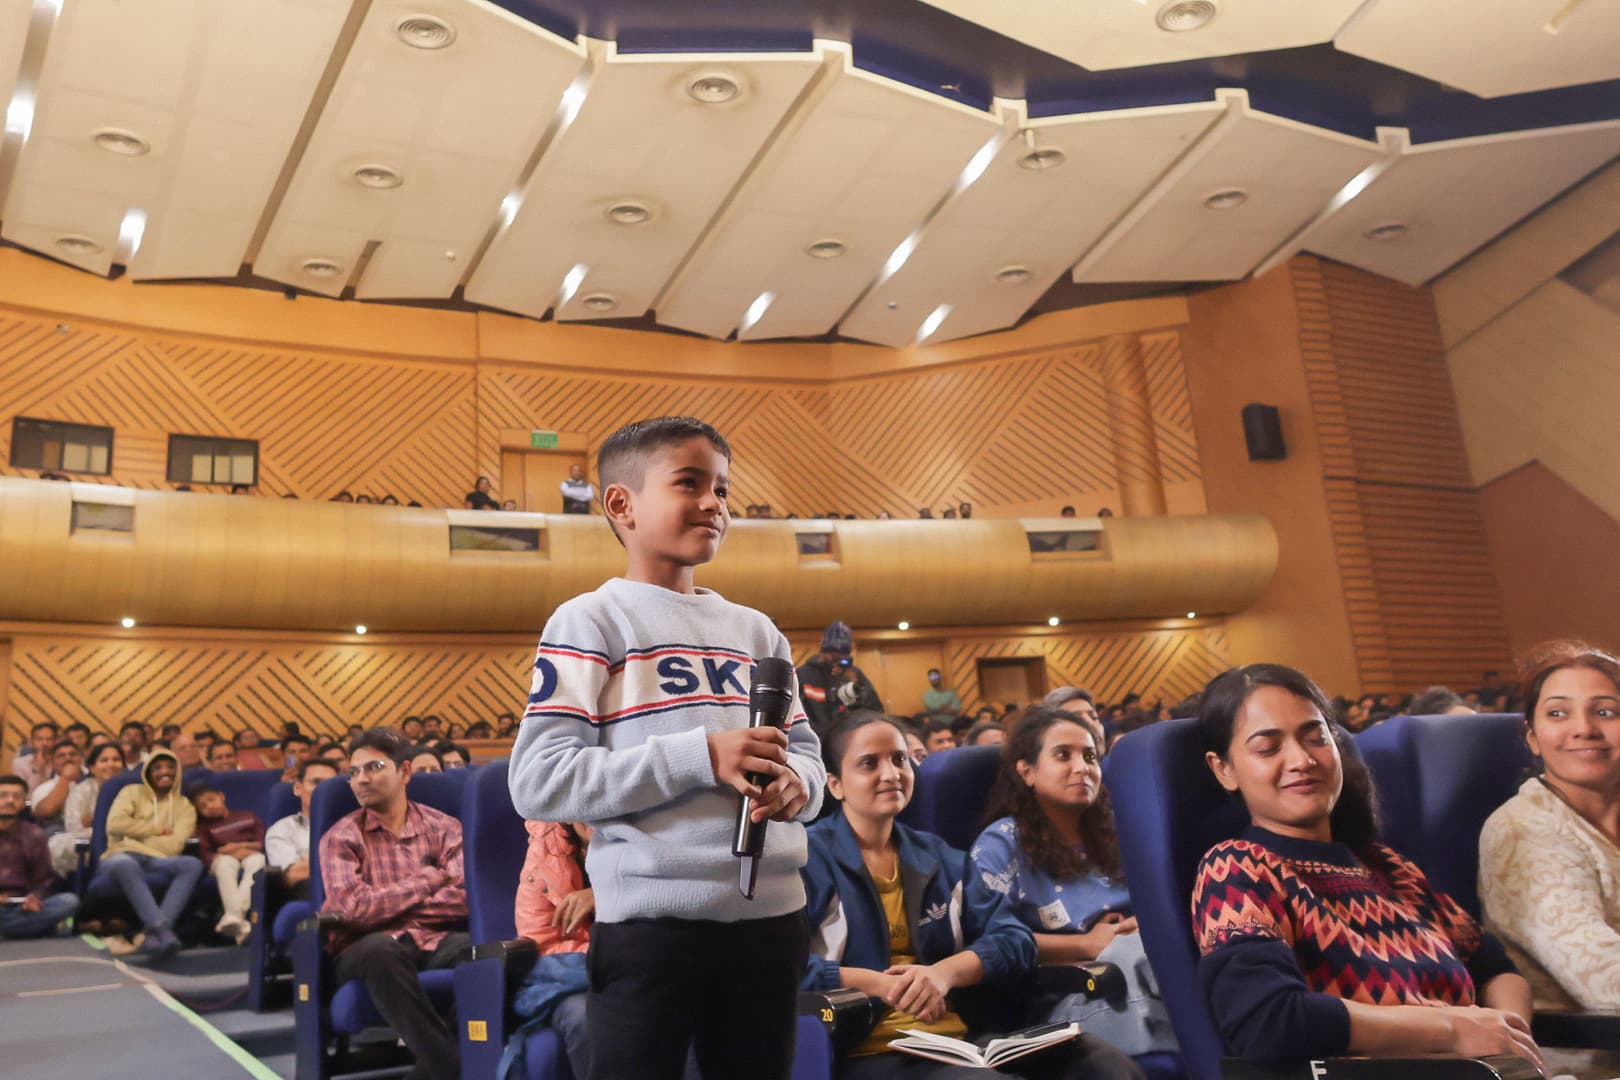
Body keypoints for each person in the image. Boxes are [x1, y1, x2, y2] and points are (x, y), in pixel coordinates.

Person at [508, 415, 825, 1080]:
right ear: (621, 504)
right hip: (653, 932)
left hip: (773, 923)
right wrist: (702, 757)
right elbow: (537, 780)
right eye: (691, 483)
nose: (715, 503)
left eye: (725, 490)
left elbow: (807, 754)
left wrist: (800, 785)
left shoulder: (758, 631)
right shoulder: (590, 620)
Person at [1191, 664, 1542, 1070]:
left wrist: (1507, 1037)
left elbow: (1497, 969)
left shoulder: (1386, 867)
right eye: (1268, 748)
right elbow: (1269, 1020)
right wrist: (1450, 1028)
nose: (1302, 760)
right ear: (1225, 769)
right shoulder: (1237, 868)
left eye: (1315, 738)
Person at [803, 714, 1144, 1079]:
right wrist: (881, 985)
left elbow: (1014, 940)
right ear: (835, 784)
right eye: (870, 763)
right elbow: (781, 969)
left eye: (900, 759)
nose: (891, 774)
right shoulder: (808, 858)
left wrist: (943, 974)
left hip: (962, 1040)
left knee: (1101, 1064)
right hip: (867, 1047)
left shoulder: (939, 858)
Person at [967, 706, 1174, 1055]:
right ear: (1027, 770)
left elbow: (1159, 905)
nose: (1082, 768)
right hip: (1063, 997)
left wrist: (1143, 924)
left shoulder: (1116, 827)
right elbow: (988, 942)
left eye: (1090, 756)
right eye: (1063, 755)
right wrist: (1088, 945)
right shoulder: (1002, 843)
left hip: (1147, 969)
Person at [320, 728, 470, 1080]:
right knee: (380, 948)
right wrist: (431, 878)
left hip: (434, 940)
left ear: (404, 772)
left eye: (373, 767)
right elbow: (352, 911)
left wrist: (384, 906)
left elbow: (464, 899)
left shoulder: (444, 828)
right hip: (363, 951)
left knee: (479, 951)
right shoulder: (341, 835)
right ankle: (453, 1068)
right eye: (353, 773)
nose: (361, 779)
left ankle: (431, 1070)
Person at [1479, 641, 1620, 1011]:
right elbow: (1605, 979)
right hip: (1591, 1055)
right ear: (1533, 738)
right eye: (1558, 714)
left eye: (1605, 712)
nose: (1584, 729)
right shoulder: (1520, 829)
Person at [99, 749, 203, 959]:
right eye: (157, 768)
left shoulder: (185, 806)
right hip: (120, 855)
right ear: (148, 773)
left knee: (192, 864)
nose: (164, 771)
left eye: (170, 767)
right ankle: (161, 929)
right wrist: (156, 829)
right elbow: (114, 825)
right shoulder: (131, 792)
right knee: (125, 863)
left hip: (157, 860)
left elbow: (174, 846)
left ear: (178, 771)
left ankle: (153, 933)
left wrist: (133, 835)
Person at [0, 775, 80, 939]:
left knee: (69, 901)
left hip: (20, 906)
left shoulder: (34, 834)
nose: (10, 801)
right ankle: (30, 929)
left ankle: (9, 930)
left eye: (17, 796)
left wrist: (35, 898)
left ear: (24, 803)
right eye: (3, 795)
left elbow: (44, 880)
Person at [192, 785, 265, 944]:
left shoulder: (247, 816)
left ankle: (234, 918)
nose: (209, 806)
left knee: (259, 860)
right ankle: (237, 917)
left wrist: (240, 847)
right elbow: (206, 855)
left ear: (222, 796)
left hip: (250, 854)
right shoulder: (204, 828)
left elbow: (262, 842)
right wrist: (228, 853)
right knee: (225, 863)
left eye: (211, 800)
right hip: (223, 859)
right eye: (203, 806)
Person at [266, 759, 337, 902]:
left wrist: (309, 862)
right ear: (298, 788)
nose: (323, 789)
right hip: (313, 901)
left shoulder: (356, 825)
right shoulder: (282, 829)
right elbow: (294, 875)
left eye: (330, 785)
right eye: (316, 782)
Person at [797, 620, 883, 739]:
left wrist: (855, 687)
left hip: (847, 742)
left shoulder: (854, 674)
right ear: (823, 651)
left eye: (842, 658)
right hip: (815, 743)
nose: (836, 661)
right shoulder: (804, 674)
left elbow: (875, 711)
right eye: (833, 656)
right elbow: (796, 712)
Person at [51, 743, 125, 875]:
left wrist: (96, 822)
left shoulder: (132, 789)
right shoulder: (81, 790)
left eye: (116, 760)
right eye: (104, 760)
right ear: (92, 768)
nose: (111, 764)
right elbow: (73, 826)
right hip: (89, 843)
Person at [29, 739, 82, 835]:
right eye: (61, 756)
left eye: (72, 754)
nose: (68, 758)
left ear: (80, 759)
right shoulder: (44, 789)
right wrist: (66, 779)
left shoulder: (94, 779)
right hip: (60, 833)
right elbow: (46, 812)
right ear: (52, 763)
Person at [12, 721, 60, 788]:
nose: (45, 743)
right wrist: (38, 770)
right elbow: (25, 793)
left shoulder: (62, 760)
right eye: (39, 739)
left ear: (56, 741)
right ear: (31, 742)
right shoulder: (20, 763)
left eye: (49, 739)